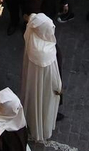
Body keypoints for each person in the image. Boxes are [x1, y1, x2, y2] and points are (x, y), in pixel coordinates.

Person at [21, 13, 62, 143]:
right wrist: (58, 87)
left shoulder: (32, 35)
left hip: (33, 81)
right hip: (45, 86)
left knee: (34, 103)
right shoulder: (46, 52)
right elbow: (53, 76)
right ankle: (44, 128)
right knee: (44, 107)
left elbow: (32, 18)